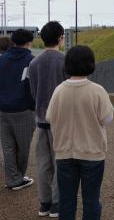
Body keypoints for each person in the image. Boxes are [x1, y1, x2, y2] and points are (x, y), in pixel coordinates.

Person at [46, 45, 114, 220]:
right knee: (91, 200)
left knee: (67, 201)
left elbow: (49, 117)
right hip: (92, 153)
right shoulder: (97, 90)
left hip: (64, 153)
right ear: (91, 64)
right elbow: (107, 119)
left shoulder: (59, 90)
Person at [29, 21, 67, 218]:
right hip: (60, 120)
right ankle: (56, 203)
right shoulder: (64, 60)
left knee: (43, 163)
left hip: (41, 119)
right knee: (59, 161)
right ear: (61, 37)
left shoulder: (34, 63)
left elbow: (33, 92)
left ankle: (44, 203)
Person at [0, 29, 35, 190]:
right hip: (22, 109)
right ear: (29, 42)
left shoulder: (2, 59)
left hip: (3, 109)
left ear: (13, 41)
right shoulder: (31, 61)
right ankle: (17, 178)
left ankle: (13, 178)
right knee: (23, 147)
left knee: (8, 147)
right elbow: (33, 88)